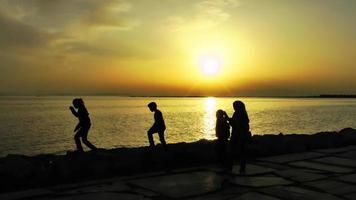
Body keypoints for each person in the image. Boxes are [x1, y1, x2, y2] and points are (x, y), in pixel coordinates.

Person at [226, 100, 250, 174]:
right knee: (239, 152)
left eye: (235, 106)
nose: (234, 107)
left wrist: (227, 118)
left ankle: (232, 167)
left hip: (239, 136)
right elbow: (234, 123)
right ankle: (238, 168)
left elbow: (235, 124)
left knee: (233, 152)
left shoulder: (240, 114)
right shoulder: (238, 113)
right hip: (238, 135)